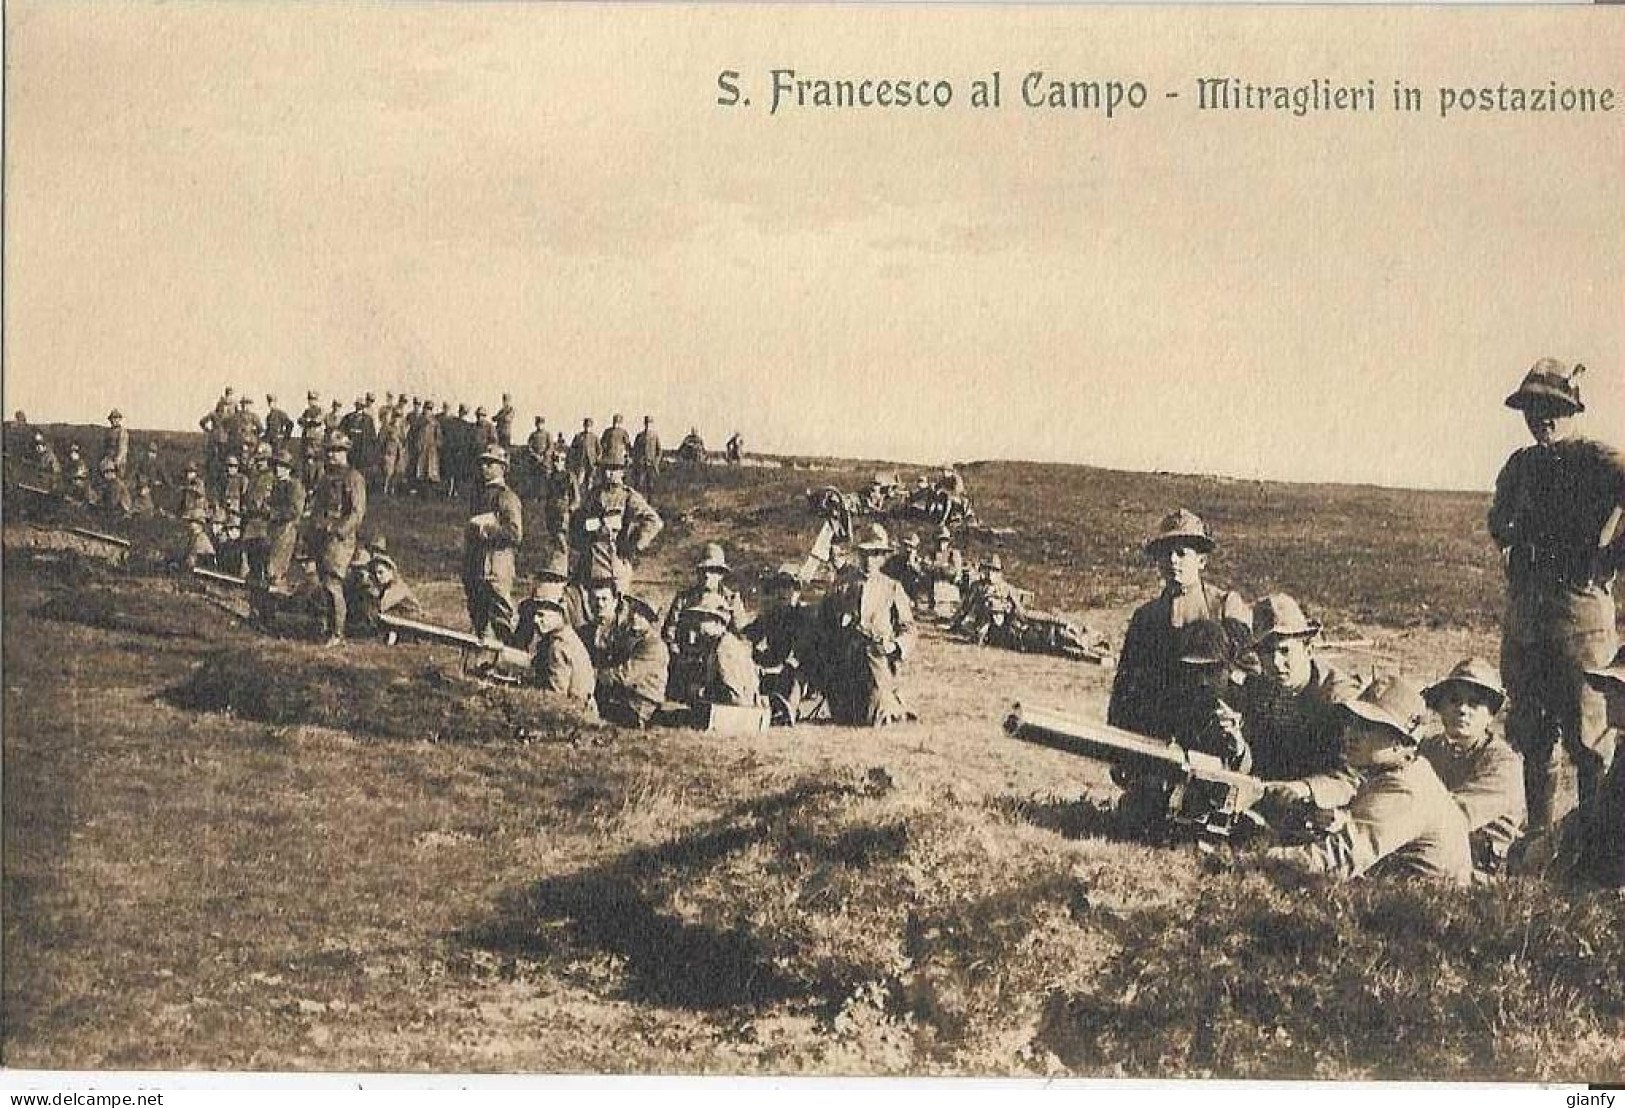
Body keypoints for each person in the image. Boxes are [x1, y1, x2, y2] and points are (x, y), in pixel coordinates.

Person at [1488, 357, 1625, 830]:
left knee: (1591, 739)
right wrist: (1509, 549)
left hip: (1580, 618)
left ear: (1572, 410)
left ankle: (1594, 847)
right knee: (1533, 733)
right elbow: (1498, 520)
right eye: (1531, 407)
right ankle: (1538, 840)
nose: (1541, 417)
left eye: (1552, 406)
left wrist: (1613, 555)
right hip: (1528, 620)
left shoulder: (1596, 458)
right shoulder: (1520, 465)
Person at [1265, 677, 1474, 885]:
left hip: (1419, 907)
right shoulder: (1403, 771)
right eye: (1352, 723)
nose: (1351, 735)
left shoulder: (1404, 790)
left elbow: (1338, 860)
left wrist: (1263, 859)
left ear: (1399, 742)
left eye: (1367, 727)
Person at [1109, 509, 1254, 740]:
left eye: (1181, 553)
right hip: (1157, 732)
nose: (1172, 560)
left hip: (1212, 731)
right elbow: (1124, 688)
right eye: (1165, 554)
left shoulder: (1226, 607)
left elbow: (1250, 673)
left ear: (1201, 561)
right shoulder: (1146, 618)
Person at [1238, 593, 1365, 822]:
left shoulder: (1340, 701)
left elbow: (1352, 777)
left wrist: (1302, 788)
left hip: (1328, 801)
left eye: (1285, 651)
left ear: (1308, 648)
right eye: (1267, 652)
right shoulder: (1260, 687)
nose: (1276, 663)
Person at [1418, 658, 1526, 876]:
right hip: (1430, 844)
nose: (1462, 710)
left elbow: (1458, 815)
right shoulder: (1428, 748)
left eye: (1474, 703)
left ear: (1490, 715)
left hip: (1481, 864)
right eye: (1454, 701)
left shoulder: (1502, 762)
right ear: (1440, 707)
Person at [819, 523, 916, 726]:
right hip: (846, 662)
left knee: (875, 716)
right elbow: (823, 623)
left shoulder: (892, 588)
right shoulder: (842, 585)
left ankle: (890, 701)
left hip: (878, 659)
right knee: (845, 716)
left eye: (874, 554)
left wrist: (894, 646)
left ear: (882, 557)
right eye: (865, 554)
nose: (868, 560)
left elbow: (909, 629)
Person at [304, 434, 367, 646]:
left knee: (333, 583)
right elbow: (317, 507)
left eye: (338, 450)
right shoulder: (325, 478)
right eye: (330, 450)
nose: (332, 455)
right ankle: (324, 627)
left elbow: (357, 512)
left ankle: (338, 633)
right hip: (322, 537)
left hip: (341, 540)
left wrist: (339, 530)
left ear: (346, 452)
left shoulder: (353, 477)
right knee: (323, 583)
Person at [744, 563, 821, 724]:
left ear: (797, 592)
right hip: (775, 667)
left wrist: (787, 664)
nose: (784, 592)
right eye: (780, 586)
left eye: (789, 587)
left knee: (793, 672)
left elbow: (802, 650)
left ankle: (788, 709)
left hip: (802, 670)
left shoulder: (804, 616)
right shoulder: (771, 616)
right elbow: (749, 637)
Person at [571, 454, 662, 589]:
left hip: (615, 562)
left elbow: (654, 521)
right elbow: (578, 522)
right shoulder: (593, 494)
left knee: (614, 602)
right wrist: (584, 535)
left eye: (614, 469)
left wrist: (634, 544)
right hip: (589, 562)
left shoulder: (628, 496)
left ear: (622, 472)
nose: (609, 474)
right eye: (606, 469)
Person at [462, 446, 523, 644]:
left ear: (502, 468)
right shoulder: (480, 495)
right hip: (476, 563)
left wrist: (488, 530)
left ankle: (511, 660)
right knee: (478, 611)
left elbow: (515, 533)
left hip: (497, 564)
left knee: (501, 615)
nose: (484, 468)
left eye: (490, 463)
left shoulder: (506, 496)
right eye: (482, 463)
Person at [595, 593, 671, 728]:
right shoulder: (632, 638)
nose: (635, 616)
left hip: (641, 705)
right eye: (633, 610)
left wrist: (594, 675)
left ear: (651, 619)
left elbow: (625, 675)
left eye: (641, 614)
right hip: (628, 698)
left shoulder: (653, 645)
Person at [673, 594, 760, 709]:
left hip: (737, 713)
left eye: (703, 618)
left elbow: (735, 696)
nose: (696, 623)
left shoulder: (725, 649)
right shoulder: (717, 644)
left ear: (718, 622)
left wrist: (701, 692)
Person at [525, 595, 597, 710]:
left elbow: (556, 697)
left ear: (559, 614)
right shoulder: (570, 636)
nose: (535, 620)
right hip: (587, 708)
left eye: (541, 615)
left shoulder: (558, 647)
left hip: (573, 713)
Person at [949, 554, 1026, 647]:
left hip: (1002, 623)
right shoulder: (977, 586)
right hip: (981, 621)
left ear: (999, 573)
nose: (990, 573)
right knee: (973, 630)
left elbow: (1019, 608)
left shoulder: (1007, 588)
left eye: (994, 571)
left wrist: (1021, 620)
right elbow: (966, 606)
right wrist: (955, 624)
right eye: (988, 569)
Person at [350, 551, 426, 635]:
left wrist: (370, 589)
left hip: (413, 621)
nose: (378, 577)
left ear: (391, 571)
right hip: (399, 619)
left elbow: (381, 607)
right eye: (375, 573)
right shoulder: (387, 586)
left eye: (381, 572)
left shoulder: (398, 587)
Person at [631, 415, 662, 493]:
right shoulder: (640, 436)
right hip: (641, 463)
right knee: (638, 484)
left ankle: (649, 502)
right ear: (644, 424)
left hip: (651, 464)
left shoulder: (655, 436)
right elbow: (635, 449)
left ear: (652, 424)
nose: (648, 425)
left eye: (650, 423)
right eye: (646, 423)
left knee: (650, 485)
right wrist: (636, 461)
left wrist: (656, 462)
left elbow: (659, 451)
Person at [568, 417, 600, 490]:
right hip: (581, 462)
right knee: (579, 481)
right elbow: (572, 449)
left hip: (591, 463)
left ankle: (589, 498)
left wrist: (597, 459)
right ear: (583, 426)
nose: (587, 428)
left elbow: (599, 450)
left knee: (590, 481)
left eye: (589, 426)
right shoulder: (578, 436)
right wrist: (573, 460)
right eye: (586, 426)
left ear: (591, 427)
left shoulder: (594, 437)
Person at [100, 409, 129, 478]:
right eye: (112, 418)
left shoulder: (122, 432)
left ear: (119, 419)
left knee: (117, 480)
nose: (114, 420)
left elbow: (123, 448)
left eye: (116, 418)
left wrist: (117, 460)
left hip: (118, 460)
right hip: (109, 459)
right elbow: (106, 447)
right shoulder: (109, 432)